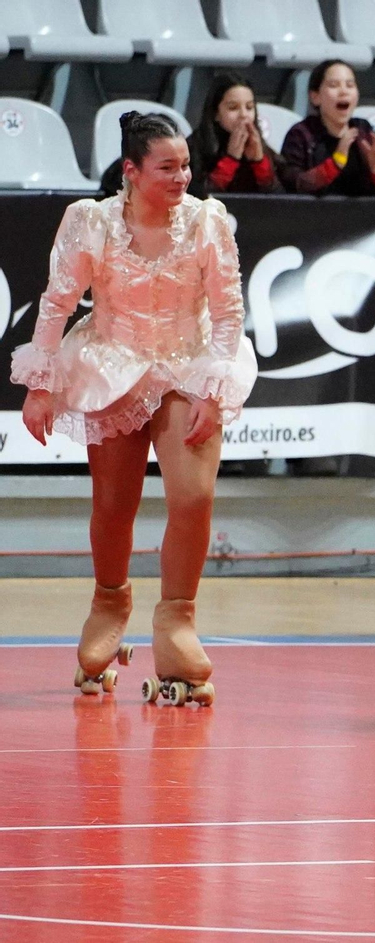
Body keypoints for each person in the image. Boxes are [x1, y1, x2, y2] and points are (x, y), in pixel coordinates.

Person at [11, 112, 258, 706]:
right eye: (167, 168)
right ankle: (109, 599)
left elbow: (227, 315)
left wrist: (212, 389)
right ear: (132, 170)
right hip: (111, 362)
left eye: (186, 166)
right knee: (113, 505)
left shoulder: (207, 221)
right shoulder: (90, 222)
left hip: (187, 364)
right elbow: (56, 304)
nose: (182, 177)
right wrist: (40, 385)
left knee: (193, 497)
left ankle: (177, 619)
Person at [96, 75, 287, 199]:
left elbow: (284, 202)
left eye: (249, 107)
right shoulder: (194, 148)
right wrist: (230, 161)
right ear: (215, 113)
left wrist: (259, 162)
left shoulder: (262, 150)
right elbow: (196, 199)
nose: (244, 115)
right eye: (233, 108)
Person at [280, 59, 375, 197]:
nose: (344, 91)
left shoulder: (364, 131)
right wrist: (335, 163)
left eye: (350, 85)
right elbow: (292, 186)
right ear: (315, 97)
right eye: (333, 85)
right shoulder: (300, 134)